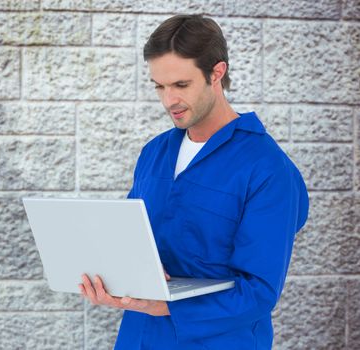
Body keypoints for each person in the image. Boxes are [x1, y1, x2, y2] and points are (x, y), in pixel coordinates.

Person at [78, 14, 309, 349]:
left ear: (217, 73)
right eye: (160, 86)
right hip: (140, 336)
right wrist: (118, 270)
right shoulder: (155, 153)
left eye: (181, 85)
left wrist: (170, 306)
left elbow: (259, 292)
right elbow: (128, 238)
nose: (168, 100)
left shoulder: (267, 169)